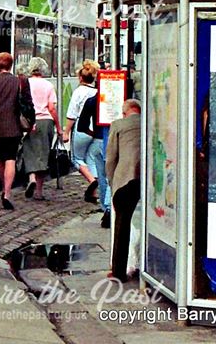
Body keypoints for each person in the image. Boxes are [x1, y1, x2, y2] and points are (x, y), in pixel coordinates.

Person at [0, 52, 31, 210]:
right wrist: (32, 122)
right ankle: (8, 193)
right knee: (11, 159)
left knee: (1, 159)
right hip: (14, 126)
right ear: (11, 65)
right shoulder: (20, 82)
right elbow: (27, 104)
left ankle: (3, 188)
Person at [106, 98, 142, 281]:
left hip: (125, 179)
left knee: (122, 224)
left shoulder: (118, 125)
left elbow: (111, 157)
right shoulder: (147, 123)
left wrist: (112, 182)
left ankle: (118, 271)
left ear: (126, 112)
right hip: (145, 179)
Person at [19, 57, 60, 201]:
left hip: (29, 122)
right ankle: (39, 192)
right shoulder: (48, 85)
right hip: (45, 121)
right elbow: (52, 108)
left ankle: (31, 178)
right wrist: (59, 127)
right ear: (43, 69)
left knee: (28, 151)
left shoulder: (25, 83)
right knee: (43, 154)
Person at [66, 59, 100, 201]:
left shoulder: (78, 92)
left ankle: (92, 181)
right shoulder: (97, 91)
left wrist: (66, 131)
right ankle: (94, 192)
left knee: (77, 159)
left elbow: (72, 114)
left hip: (82, 128)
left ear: (80, 77)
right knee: (92, 158)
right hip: (96, 128)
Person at [76, 92, 111, 227]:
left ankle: (104, 207)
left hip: (97, 140)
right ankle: (108, 207)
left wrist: (93, 133)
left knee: (101, 177)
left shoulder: (91, 100)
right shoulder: (120, 97)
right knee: (111, 176)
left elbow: (82, 126)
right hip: (112, 139)